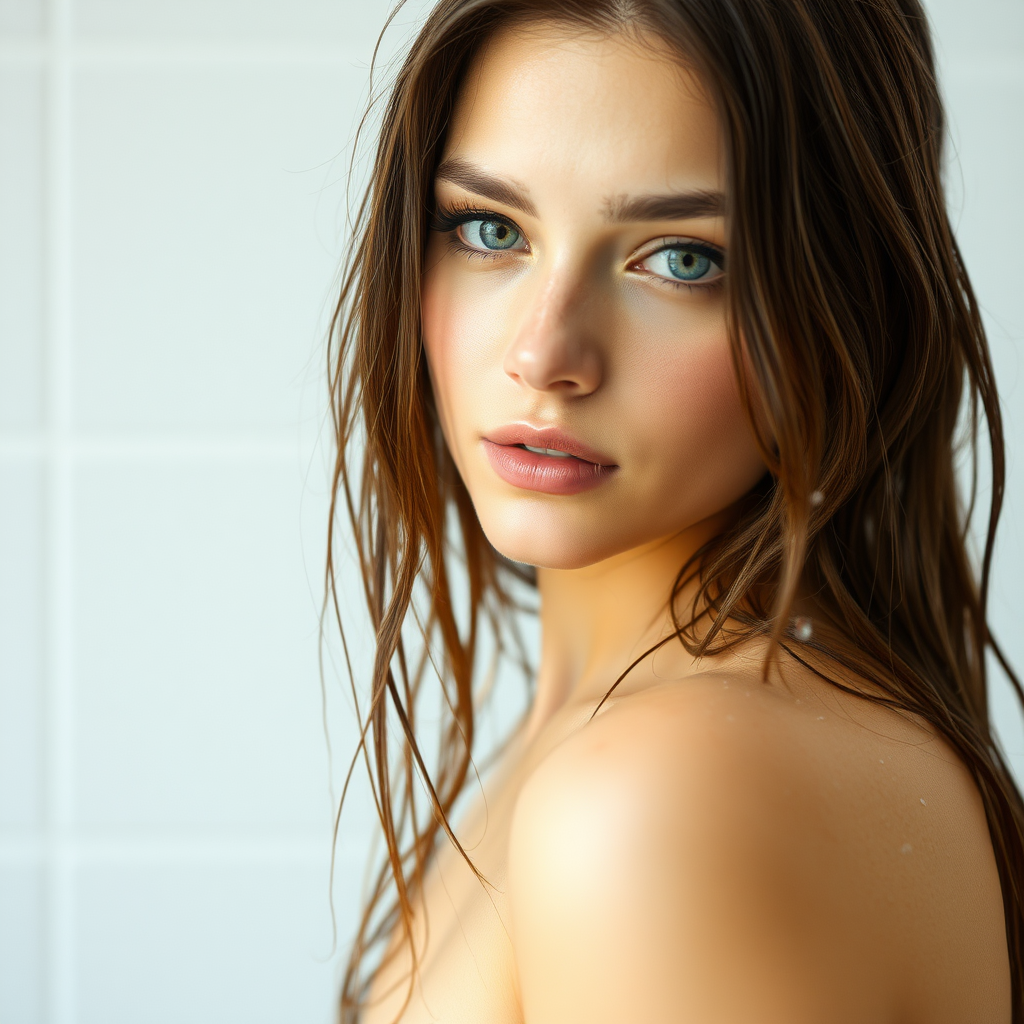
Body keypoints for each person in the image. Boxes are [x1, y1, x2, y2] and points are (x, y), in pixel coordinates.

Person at [325, 0, 1023, 1020]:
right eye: (489, 229)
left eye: (681, 259)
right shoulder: (617, 730)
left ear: (842, 303)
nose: (543, 355)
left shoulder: (657, 793)